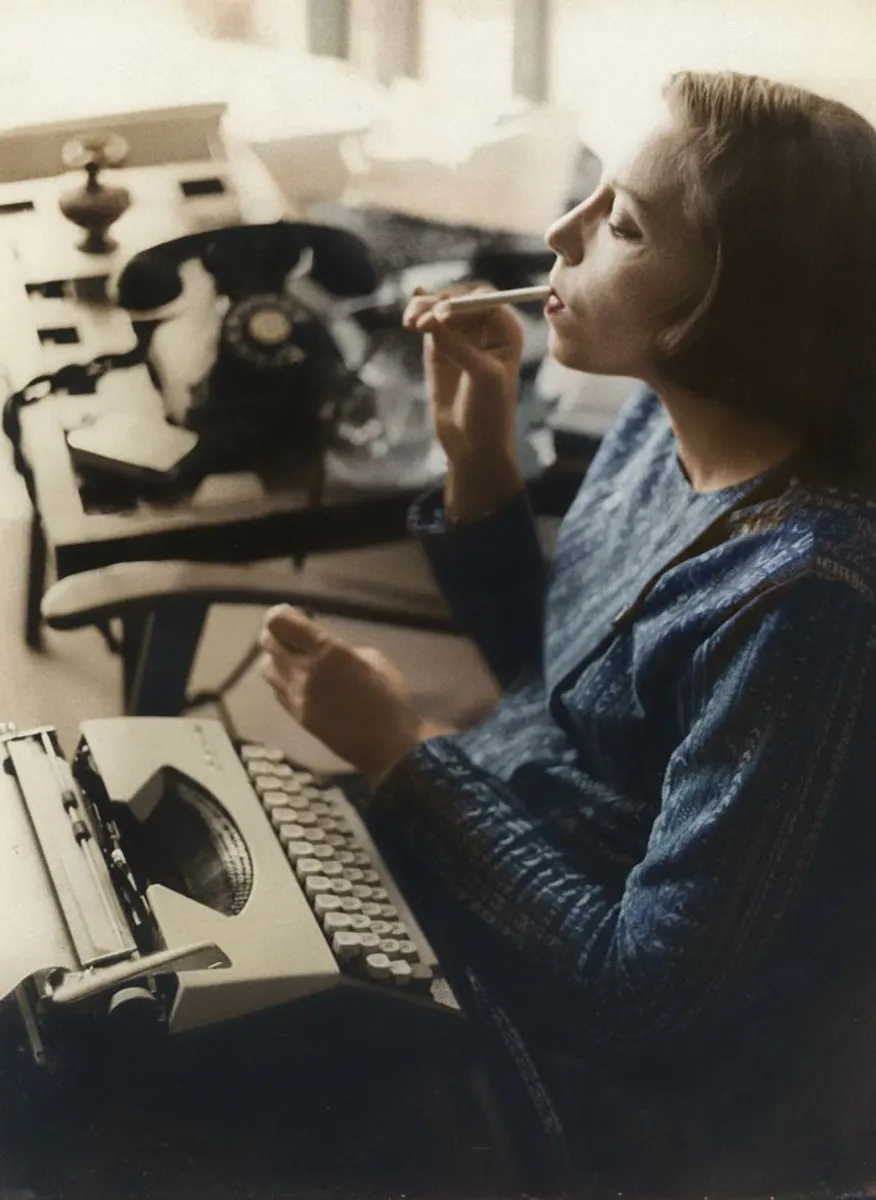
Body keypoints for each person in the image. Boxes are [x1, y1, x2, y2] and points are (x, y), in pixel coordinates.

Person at [258, 71, 876, 1194]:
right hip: (490, 855)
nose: (560, 232)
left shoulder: (809, 602)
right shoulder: (667, 420)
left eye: (622, 223)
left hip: (566, 1067)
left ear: (732, 304)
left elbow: (644, 1004)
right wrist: (482, 466)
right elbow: (565, 695)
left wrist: (401, 756)